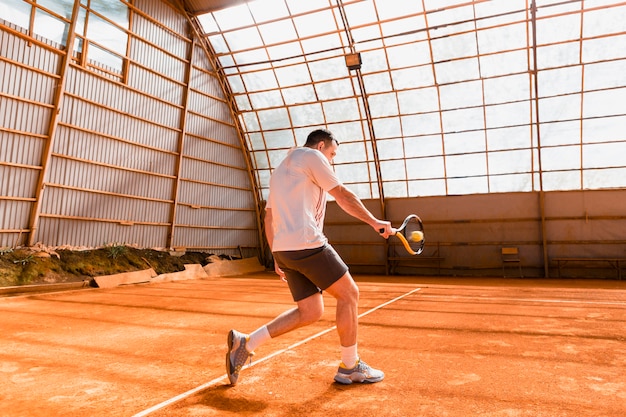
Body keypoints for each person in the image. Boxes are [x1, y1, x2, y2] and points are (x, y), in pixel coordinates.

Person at [226, 128, 393, 385]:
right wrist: (374, 222)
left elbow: (269, 217)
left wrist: (276, 255)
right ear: (321, 145)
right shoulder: (313, 157)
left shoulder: (281, 169)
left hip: (285, 248)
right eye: (332, 153)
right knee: (349, 293)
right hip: (306, 242)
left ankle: (246, 343)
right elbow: (342, 195)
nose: (332, 160)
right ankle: (350, 367)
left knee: (311, 311)